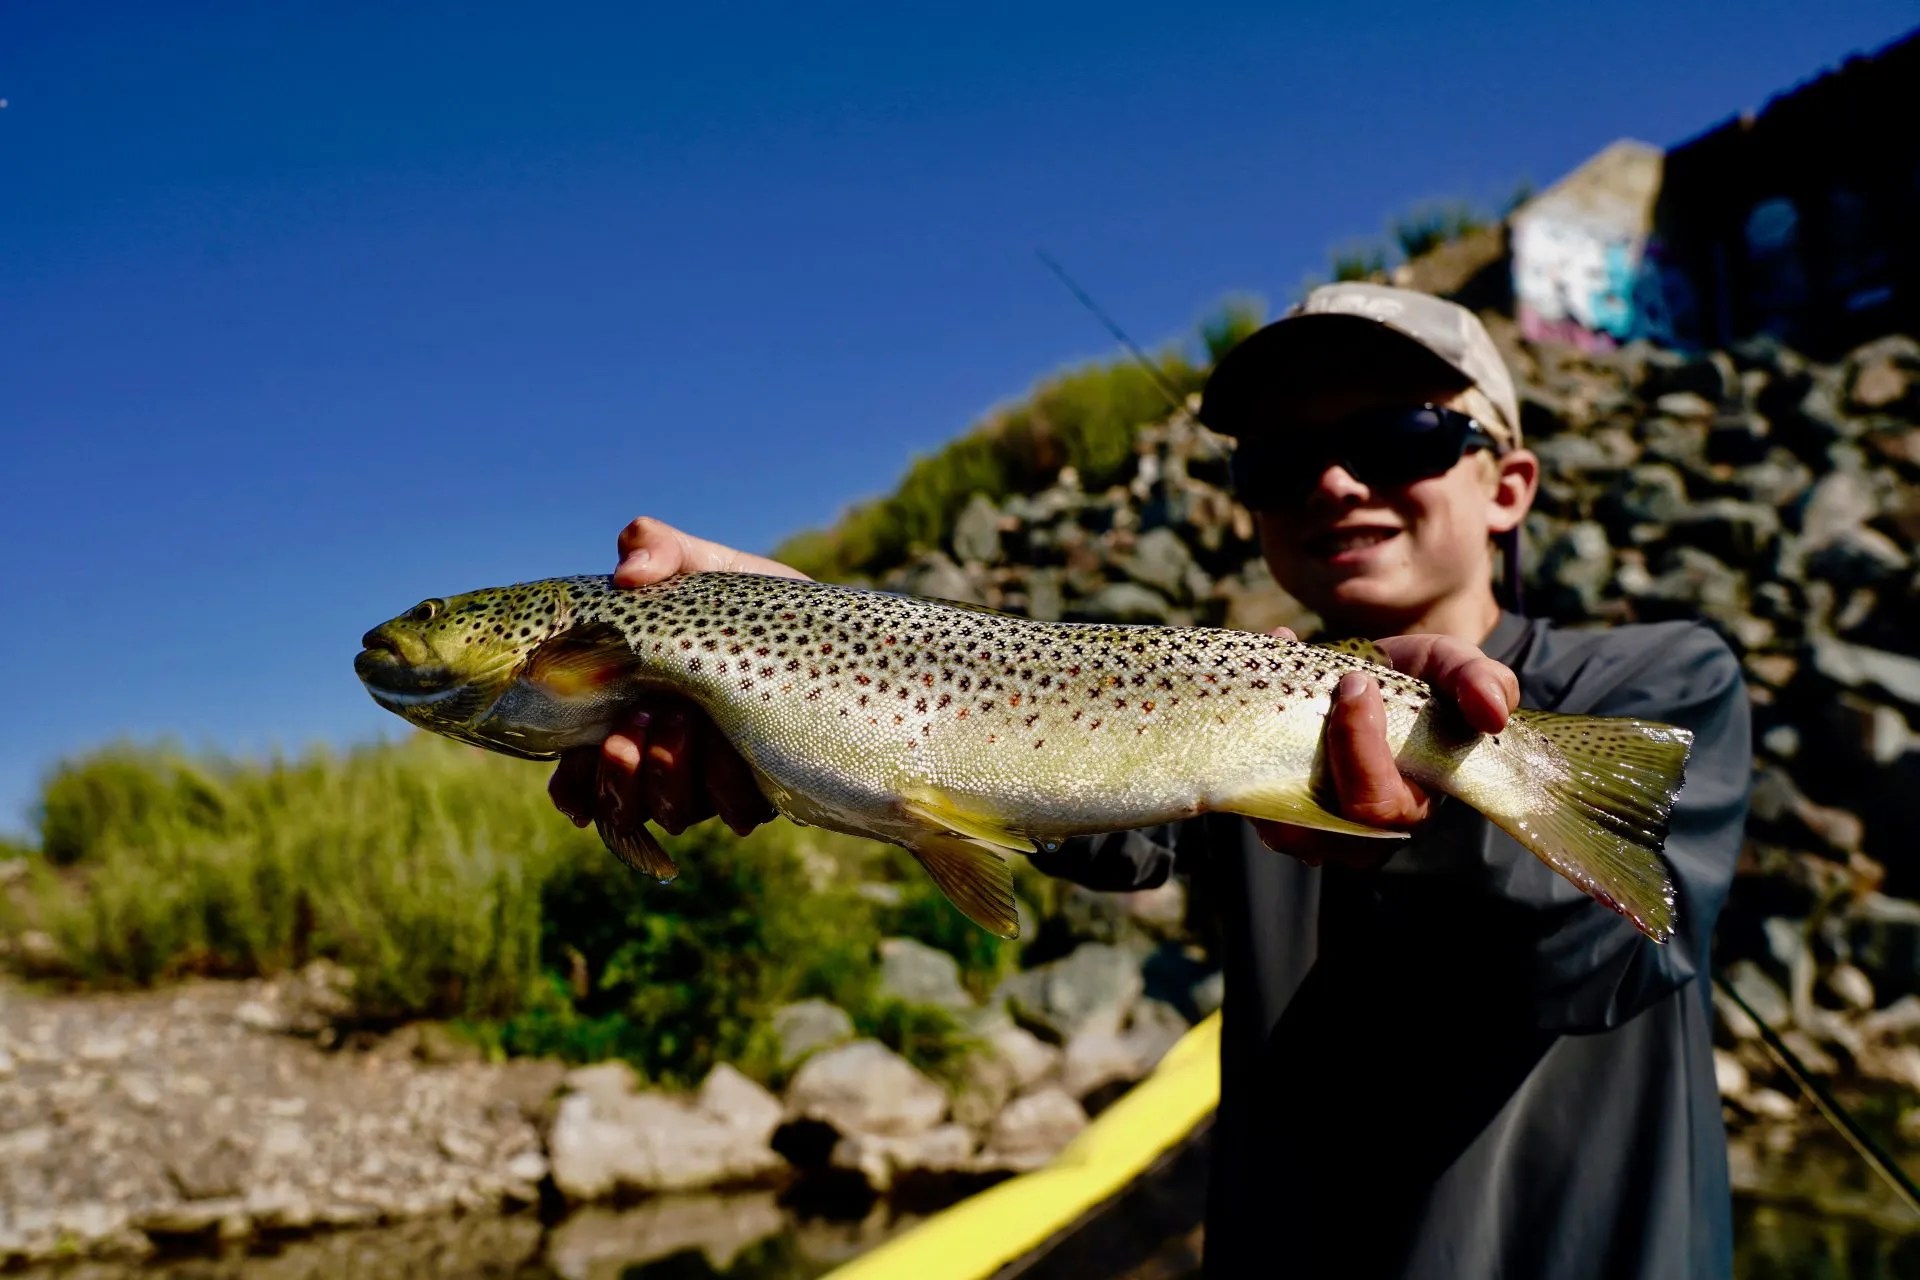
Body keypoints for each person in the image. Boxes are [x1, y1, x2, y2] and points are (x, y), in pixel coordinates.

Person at [546, 283, 1752, 1280]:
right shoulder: (1235, 697)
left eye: (1398, 438)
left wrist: (1425, 823)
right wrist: (795, 640)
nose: (1334, 482)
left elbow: (1609, 946)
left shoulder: (1656, 680)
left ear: (1510, 486)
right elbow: (1067, 781)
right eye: (1283, 459)